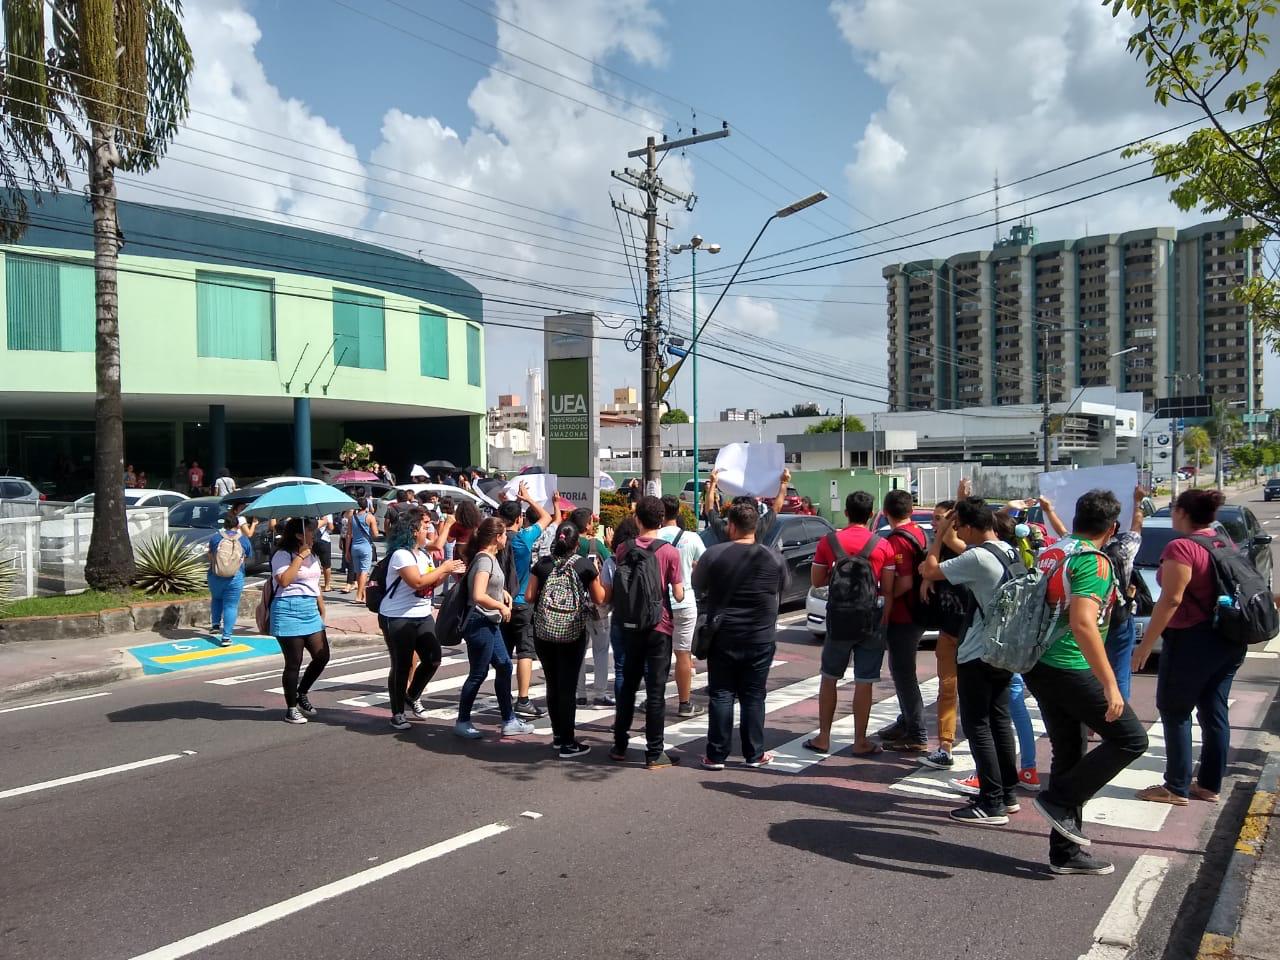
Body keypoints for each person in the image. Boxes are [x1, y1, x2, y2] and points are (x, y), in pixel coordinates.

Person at [1025, 489, 1149, 876]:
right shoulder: (1093, 562)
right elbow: (1082, 623)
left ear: (1077, 518)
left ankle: (1065, 852)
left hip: (1039, 664)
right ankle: (1059, 799)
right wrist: (1110, 684)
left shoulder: (1054, 550)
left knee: (1070, 751)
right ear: (1112, 528)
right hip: (1068, 666)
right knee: (1131, 739)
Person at [1133, 489, 1244, 805]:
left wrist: (1145, 645)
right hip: (1228, 637)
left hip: (1192, 640)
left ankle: (1175, 786)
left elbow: (1171, 599)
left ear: (1182, 512)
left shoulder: (1181, 547)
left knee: (1175, 710)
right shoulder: (1223, 542)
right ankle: (1208, 785)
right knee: (1214, 711)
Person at [919, 497, 1023, 825]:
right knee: (1000, 721)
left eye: (959, 526)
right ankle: (1007, 794)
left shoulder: (977, 557)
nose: (958, 531)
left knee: (978, 725)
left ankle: (991, 802)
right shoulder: (1008, 551)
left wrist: (938, 536)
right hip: (1006, 649)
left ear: (970, 527)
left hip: (979, 651)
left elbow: (929, 570)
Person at [694, 502, 789, 769]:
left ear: (732, 526)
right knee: (754, 695)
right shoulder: (774, 557)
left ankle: (716, 755)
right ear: (755, 527)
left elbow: (697, 584)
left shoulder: (714, 554)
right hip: (760, 636)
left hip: (723, 635)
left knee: (721, 694)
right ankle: (754, 754)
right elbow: (784, 587)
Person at [803, 491, 897, 757]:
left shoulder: (829, 541)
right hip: (870, 619)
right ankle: (860, 741)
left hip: (839, 618)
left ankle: (823, 737)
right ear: (871, 514)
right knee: (864, 681)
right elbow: (887, 588)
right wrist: (885, 618)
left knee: (829, 678)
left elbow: (817, 581)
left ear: (846, 513)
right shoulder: (882, 545)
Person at [609, 495, 685, 769]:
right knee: (655, 691)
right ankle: (654, 752)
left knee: (628, 686)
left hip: (629, 625)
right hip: (658, 626)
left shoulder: (623, 548)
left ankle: (620, 745)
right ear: (662, 520)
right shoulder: (669, 552)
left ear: (637, 519)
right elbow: (678, 594)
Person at [379, 506, 465, 730]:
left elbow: (430, 583)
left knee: (433, 658)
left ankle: (412, 695)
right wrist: (443, 568)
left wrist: (447, 571)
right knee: (402, 664)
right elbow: (416, 582)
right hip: (398, 616)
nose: (429, 530)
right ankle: (397, 712)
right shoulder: (401, 555)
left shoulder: (424, 553)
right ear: (413, 530)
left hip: (422, 613)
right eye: (425, 527)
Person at [527, 521, 606, 757]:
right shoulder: (584, 566)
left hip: (544, 632)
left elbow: (529, 596)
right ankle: (568, 742)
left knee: (552, 684)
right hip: (572, 633)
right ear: (576, 544)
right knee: (567, 687)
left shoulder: (542, 565)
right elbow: (599, 598)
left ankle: (558, 736)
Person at [898, 494, 967, 766]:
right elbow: (928, 568)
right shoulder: (941, 549)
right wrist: (927, 575)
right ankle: (945, 746)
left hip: (972, 633)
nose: (935, 524)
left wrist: (957, 507)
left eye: (939, 518)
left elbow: (932, 565)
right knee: (947, 689)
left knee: (977, 696)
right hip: (949, 631)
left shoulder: (967, 550)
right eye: (934, 519)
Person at [455, 518, 536, 740]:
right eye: (503, 535)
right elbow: (478, 595)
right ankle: (463, 720)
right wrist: (500, 605)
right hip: (480, 622)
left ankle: (509, 720)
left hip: (488, 622)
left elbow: (490, 586)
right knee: (478, 673)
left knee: (504, 665)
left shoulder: (490, 557)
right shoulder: (484, 560)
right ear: (496, 537)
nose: (506, 538)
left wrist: (502, 594)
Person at [879, 489, 931, 756]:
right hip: (918, 611)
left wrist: (884, 596)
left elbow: (905, 581)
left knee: (903, 673)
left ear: (885, 512)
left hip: (905, 614)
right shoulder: (920, 532)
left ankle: (917, 733)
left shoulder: (897, 540)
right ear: (911, 510)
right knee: (901, 669)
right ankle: (906, 721)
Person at [270, 519, 331, 725]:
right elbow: (284, 580)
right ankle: (291, 708)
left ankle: (301, 692)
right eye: (310, 530)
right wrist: (300, 557)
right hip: (287, 609)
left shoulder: (312, 553)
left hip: (309, 609)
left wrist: (321, 605)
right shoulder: (282, 555)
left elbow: (314, 582)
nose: (314, 533)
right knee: (293, 662)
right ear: (298, 535)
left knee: (322, 656)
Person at [501, 483, 552, 719]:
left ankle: (503, 697)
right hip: (522, 601)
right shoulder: (523, 539)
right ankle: (523, 699)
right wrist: (528, 499)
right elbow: (546, 517)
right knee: (525, 651)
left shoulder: (494, 539)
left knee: (503, 653)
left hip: (498, 603)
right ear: (519, 519)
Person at [656, 494, 707, 717]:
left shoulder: (653, 537)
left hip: (659, 603)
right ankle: (684, 704)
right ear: (678, 512)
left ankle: (653, 699)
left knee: (658, 654)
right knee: (683, 654)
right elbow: (705, 565)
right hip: (685, 600)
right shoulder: (691, 538)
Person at [1102, 486, 1148, 701]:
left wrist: (1050, 511)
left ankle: (1091, 716)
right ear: (1113, 528)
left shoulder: (1079, 551)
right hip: (1119, 618)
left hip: (1090, 620)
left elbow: (1063, 531)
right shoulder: (1122, 551)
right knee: (1120, 672)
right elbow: (1136, 529)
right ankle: (1118, 716)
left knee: (1091, 671)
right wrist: (1137, 502)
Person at [570, 507, 615, 707]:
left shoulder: (568, 543)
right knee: (601, 649)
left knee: (578, 650)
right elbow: (611, 563)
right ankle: (600, 693)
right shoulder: (596, 545)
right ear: (588, 524)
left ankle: (579, 692)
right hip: (596, 604)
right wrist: (610, 545)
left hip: (573, 604)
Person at [702, 467, 788, 546]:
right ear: (755, 513)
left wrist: (713, 483)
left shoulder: (724, 530)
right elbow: (776, 508)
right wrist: (784, 482)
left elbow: (709, 509)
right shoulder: (759, 528)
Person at [207, 513, 253, 647]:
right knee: (231, 606)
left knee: (216, 598)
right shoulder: (243, 539)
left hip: (215, 575)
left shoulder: (216, 538)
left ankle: (215, 625)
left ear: (224, 525)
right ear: (238, 525)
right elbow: (248, 556)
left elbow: (210, 554)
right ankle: (226, 637)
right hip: (235, 576)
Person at [343, 495, 379, 602]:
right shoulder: (370, 517)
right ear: (366, 506)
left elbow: (348, 535)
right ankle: (358, 595)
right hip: (366, 547)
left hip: (354, 547)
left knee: (358, 572)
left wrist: (347, 551)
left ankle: (363, 594)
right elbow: (376, 534)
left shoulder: (352, 518)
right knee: (364, 572)